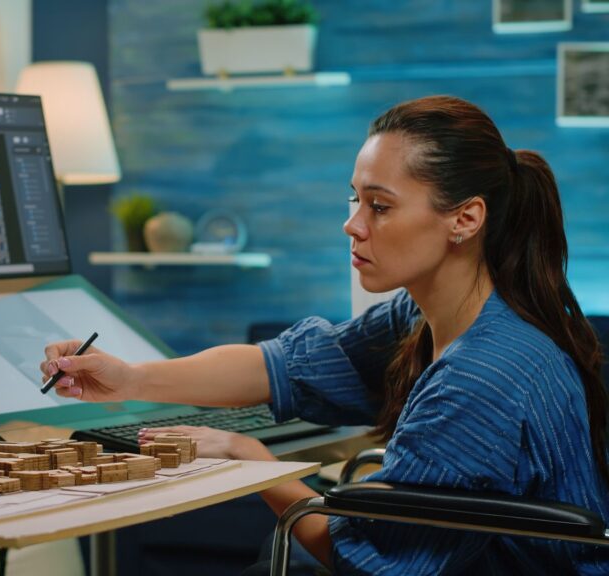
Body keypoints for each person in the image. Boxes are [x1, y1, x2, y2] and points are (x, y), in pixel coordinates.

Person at [40, 95, 609, 574]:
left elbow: (359, 559)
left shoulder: (481, 377)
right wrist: (131, 379)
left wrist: (248, 458)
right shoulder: (428, 317)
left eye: (380, 206)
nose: (352, 224)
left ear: (465, 219)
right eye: (356, 199)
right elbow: (282, 366)